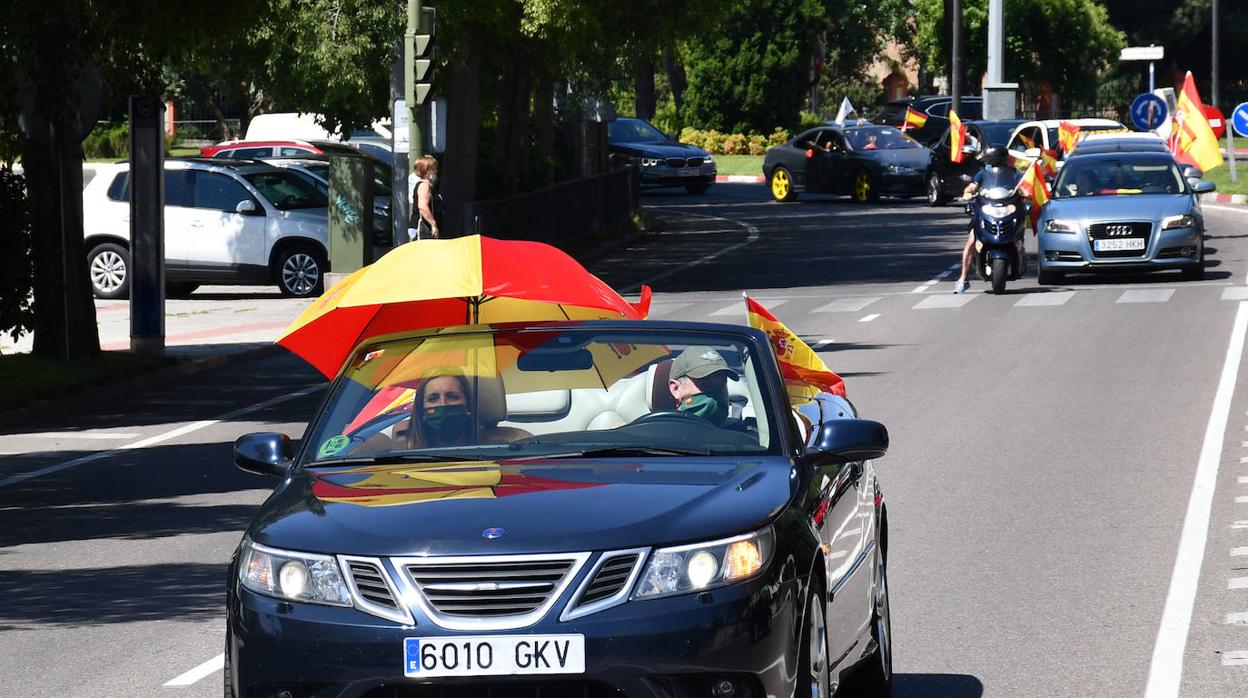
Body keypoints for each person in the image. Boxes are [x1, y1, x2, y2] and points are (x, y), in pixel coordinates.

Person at [953, 146, 1022, 293]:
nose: (994, 163)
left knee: (1019, 231)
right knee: (971, 241)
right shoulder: (982, 174)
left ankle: (1020, 254)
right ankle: (963, 278)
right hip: (987, 210)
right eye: (991, 161)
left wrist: (1026, 195)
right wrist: (968, 193)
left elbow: (1023, 187)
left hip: (1006, 209)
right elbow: (972, 186)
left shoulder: (1014, 173)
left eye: (995, 160)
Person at [409, 371, 531, 447]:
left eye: (453, 397)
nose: (443, 404)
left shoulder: (509, 448)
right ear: (421, 410)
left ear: (468, 406)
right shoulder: (401, 457)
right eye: (433, 398)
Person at [667, 346, 738, 427]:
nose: (715, 391)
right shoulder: (657, 436)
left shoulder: (741, 435)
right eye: (706, 383)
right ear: (676, 389)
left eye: (721, 383)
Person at [408, 155, 444, 241]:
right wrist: (433, 224)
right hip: (424, 227)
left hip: (427, 227)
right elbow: (423, 207)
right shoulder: (424, 186)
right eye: (434, 169)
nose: (436, 171)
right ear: (426, 170)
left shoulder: (429, 186)